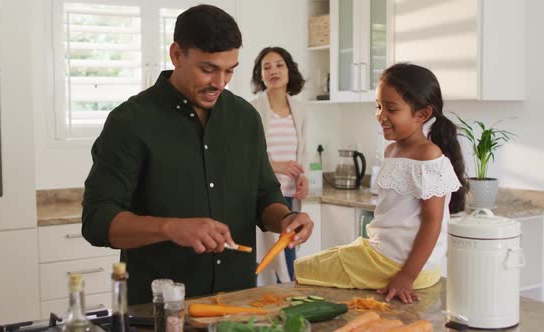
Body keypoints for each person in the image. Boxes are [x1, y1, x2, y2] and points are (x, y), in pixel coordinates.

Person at [81, 4, 314, 305]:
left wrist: (286, 218)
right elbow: (97, 221)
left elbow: (264, 194)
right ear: (177, 55)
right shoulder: (130, 122)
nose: (219, 82)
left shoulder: (245, 118)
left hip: (238, 303)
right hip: (160, 310)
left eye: (229, 70)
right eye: (208, 69)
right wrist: (171, 227)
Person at [294, 63, 467, 304]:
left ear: (422, 114)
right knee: (319, 262)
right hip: (383, 256)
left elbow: (433, 222)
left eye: (392, 109)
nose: (381, 115)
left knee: (303, 269)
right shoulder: (392, 150)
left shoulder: (428, 155)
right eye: (378, 106)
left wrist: (406, 276)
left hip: (398, 265)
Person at [249, 47, 308, 284]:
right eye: (267, 67)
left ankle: (286, 311)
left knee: (288, 261)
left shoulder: (301, 110)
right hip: (262, 198)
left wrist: (302, 177)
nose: (273, 70)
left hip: (289, 197)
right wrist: (277, 166)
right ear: (260, 75)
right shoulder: (252, 109)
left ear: (289, 70)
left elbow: (302, 150)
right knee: (262, 262)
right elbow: (248, 155)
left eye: (279, 65)